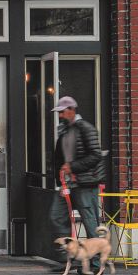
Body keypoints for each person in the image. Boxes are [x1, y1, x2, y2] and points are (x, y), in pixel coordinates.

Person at [50, 96, 105, 239]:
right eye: (59, 113)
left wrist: (72, 167)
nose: (60, 115)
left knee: (90, 222)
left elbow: (96, 155)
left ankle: (96, 260)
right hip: (67, 184)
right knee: (56, 215)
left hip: (85, 183)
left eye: (62, 111)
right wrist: (60, 179)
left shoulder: (86, 128)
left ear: (72, 110)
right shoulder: (64, 131)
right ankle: (68, 252)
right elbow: (59, 158)